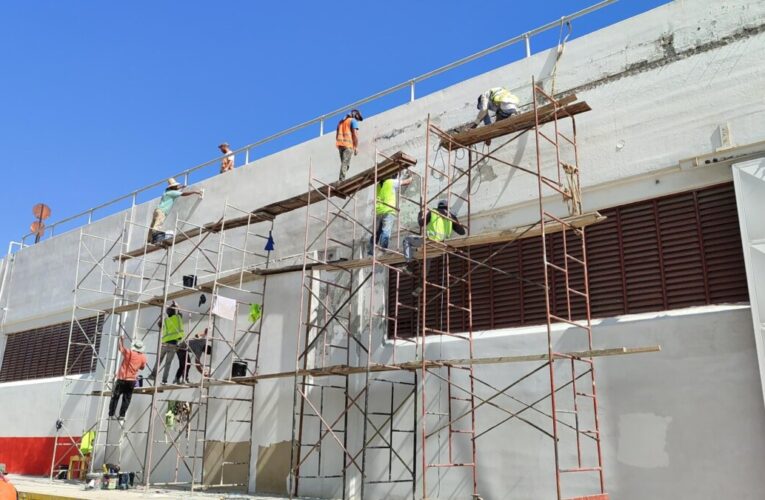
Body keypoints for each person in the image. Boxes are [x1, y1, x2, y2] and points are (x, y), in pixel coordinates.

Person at [403, 200, 466, 296]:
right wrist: (456, 222)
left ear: (438, 206)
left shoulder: (433, 212)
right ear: (446, 207)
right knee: (427, 259)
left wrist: (421, 213)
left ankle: (409, 266)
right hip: (441, 245)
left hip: (430, 241)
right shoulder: (451, 216)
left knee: (407, 240)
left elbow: (421, 223)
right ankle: (420, 285)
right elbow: (462, 232)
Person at [368, 172, 412, 255]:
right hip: (388, 210)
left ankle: (371, 251)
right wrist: (411, 177)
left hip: (379, 211)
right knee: (386, 231)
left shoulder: (378, 185)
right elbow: (407, 182)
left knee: (376, 232)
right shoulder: (391, 182)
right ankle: (383, 249)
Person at [147, 178, 203, 243]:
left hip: (157, 210)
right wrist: (195, 192)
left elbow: (174, 188)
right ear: (173, 187)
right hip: (162, 211)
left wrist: (181, 186)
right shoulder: (172, 193)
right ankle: (155, 238)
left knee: (153, 224)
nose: (177, 187)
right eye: (176, 186)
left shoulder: (166, 191)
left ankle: (149, 239)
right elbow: (183, 194)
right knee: (157, 225)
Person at [108, 335, 147, 423]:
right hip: (132, 380)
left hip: (122, 378)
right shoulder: (143, 357)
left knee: (115, 397)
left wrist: (121, 340)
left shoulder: (129, 353)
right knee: (126, 398)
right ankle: (122, 415)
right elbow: (142, 368)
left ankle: (111, 414)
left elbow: (120, 348)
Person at [149, 302, 185, 385]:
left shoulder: (166, 320)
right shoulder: (178, 318)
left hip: (165, 343)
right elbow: (180, 311)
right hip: (173, 344)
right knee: (168, 364)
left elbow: (160, 325)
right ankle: (164, 380)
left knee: (159, 361)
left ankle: (153, 375)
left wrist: (162, 316)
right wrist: (176, 305)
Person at [336, 109, 363, 181]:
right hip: (348, 145)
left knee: (344, 164)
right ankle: (341, 179)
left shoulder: (340, 122)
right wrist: (356, 147)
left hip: (340, 145)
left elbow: (337, 135)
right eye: (357, 118)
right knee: (345, 163)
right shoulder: (352, 121)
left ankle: (342, 178)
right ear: (355, 115)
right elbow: (355, 134)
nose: (357, 120)